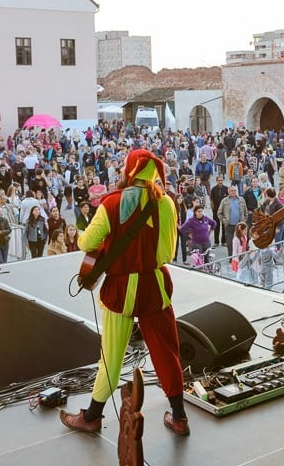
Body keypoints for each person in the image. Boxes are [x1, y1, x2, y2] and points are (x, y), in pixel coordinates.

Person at [60, 149, 190, 437]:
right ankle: (179, 417)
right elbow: (168, 251)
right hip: (155, 285)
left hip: (120, 288)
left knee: (112, 356)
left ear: (129, 171)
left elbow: (86, 243)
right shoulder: (167, 203)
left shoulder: (111, 203)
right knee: (167, 352)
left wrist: (94, 239)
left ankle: (92, 416)